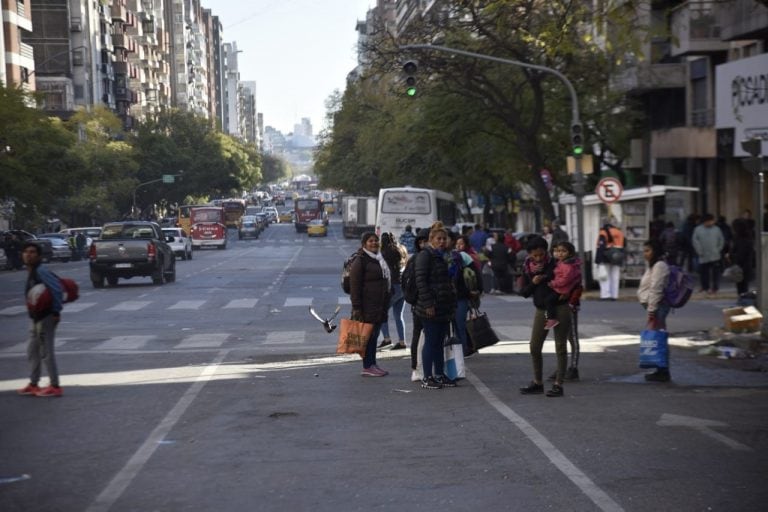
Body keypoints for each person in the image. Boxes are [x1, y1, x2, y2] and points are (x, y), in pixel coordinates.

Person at [518, 236, 572, 397]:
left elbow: (573, 280)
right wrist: (533, 282)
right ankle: (537, 382)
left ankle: (558, 384)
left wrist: (569, 292)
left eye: (541, 254)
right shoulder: (527, 267)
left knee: (560, 346)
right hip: (542, 310)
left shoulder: (557, 264)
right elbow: (524, 292)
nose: (539, 258)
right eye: (535, 255)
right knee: (534, 347)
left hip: (560, 308)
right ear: (529, 255)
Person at [413, 221, 457, 389]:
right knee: (431, 342)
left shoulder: (444, 256)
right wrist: (428, 304)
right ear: (431, 239)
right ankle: (427, 377)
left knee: (439, 342)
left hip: (443, 307)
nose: (441, 241)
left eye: (444, 239)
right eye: (438, 238)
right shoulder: (425, 255)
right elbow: (421, 282)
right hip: (429, 308)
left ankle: (439, 374)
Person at [17, 242, 64, 397]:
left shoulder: (41, 271)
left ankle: (55, 385)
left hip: (46, 316)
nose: (28, 254)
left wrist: (56, 311)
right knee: (33, 350)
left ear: (38, 256)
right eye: (26, 252)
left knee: (46, 352)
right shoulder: (32, 271)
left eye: (32, 252)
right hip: (36, 317)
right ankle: (33, 383)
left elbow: (56, 289)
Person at [349, 232, 391, 377]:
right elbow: (355, 286)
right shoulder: (360, 261)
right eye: (370, 241)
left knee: (374, 336)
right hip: (367, 307)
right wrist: (357, 308)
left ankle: (373, 363)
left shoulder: (378, 259)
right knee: (368, 337)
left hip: (378, 305)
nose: (374, 243)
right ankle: (367, 366)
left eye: (376, 241)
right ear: (364, 244)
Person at [636, 239, 672, 382]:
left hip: (658, 307)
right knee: (658, 339)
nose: (645, 254)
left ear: (655, 251)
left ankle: (663, 371)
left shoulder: (659, 266)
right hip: (656, 307)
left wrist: (651, 311)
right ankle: (661, 369)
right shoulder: (654, 265)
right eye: (644, 251)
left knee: (658, 339)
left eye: (648, 250)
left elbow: (656, 289)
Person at [377, 232, 408, 351]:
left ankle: (386, 339)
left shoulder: (385, 253)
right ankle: (402, 341)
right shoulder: (402, 249)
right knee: (398, 316)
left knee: (382, 312)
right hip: (403, 286)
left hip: (393, 286)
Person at [542, 242, 582, 331]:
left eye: (563, 251)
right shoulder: (562, 262)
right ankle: (549, 317)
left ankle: (552, 319)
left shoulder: (568, 266)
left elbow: (565, 279)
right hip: (560, 287)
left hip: (563, 289)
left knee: (548, 300)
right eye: (558, 251)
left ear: (570, 253)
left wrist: (553, 283)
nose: (560, 253)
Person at [692, 213, 724, 296]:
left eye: (712, 221)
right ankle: (705, 287)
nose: (710, 223)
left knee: (715, 273)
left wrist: (718, 249)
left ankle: (715, 288)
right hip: (703, 255)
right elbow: (695, 241)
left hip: (715, 255)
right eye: (709, 221)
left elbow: (721, 240)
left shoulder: (717, 229)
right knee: (704, 273)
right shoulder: (698, 229)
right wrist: (699, 251)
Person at [595, 221, 625, 300]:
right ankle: (614, 295)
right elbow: (623, 245)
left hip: (606, 256)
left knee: (604, 276)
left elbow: (601, 247)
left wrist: (599, 260)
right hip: (617, 256)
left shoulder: (603, 233)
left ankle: (605, 295)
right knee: (615, 276)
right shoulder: (619, 233)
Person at [728, 218, 754, 298]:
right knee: (742, 287)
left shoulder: (742, 239)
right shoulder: (746, 237)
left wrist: (731, 256)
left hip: (741, 267)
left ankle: (744, 304)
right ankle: (743, 302)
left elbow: (740, 255)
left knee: (742, 288)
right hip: (744, 266)